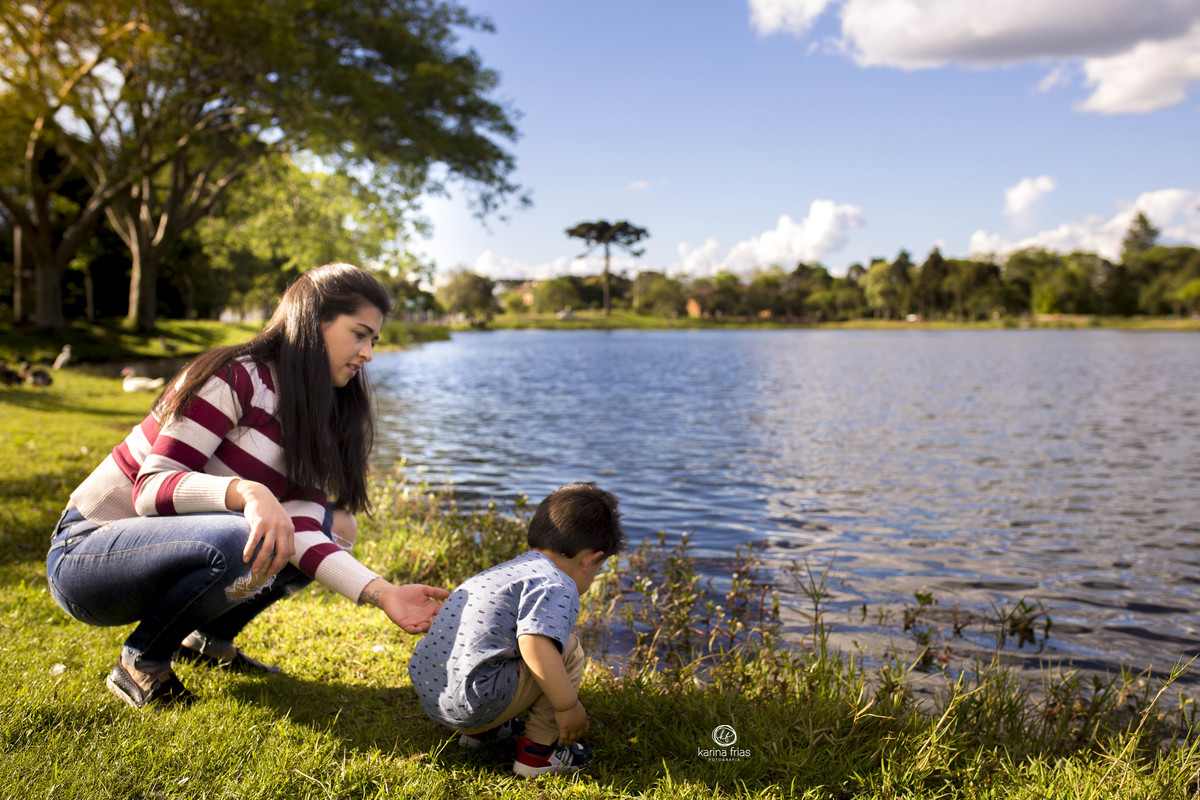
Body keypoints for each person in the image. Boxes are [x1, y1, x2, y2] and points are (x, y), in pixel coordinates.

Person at [46, 263, 449, 709]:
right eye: (359, 333)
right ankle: (143, 662)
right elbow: (150, 489)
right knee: (247, 532)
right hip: (88, 559)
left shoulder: (319, 411)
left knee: (333, 529)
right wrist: (249, 493)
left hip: (174, 551)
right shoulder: (235, 375)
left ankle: (209, 640)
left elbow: (303, 530)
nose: (368, 352)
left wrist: (382, 592)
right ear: (314, 321)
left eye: (374, 339)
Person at [407, 482, 626, 777]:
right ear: (591, 560)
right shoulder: (557, 583)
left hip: (434, 697)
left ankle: (481, 734)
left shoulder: (506, 571)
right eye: (598, 571)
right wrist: (567, 706)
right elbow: (535, 643)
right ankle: (538, 755)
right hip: (474, 703)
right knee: (567, 649)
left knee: (499, 645)